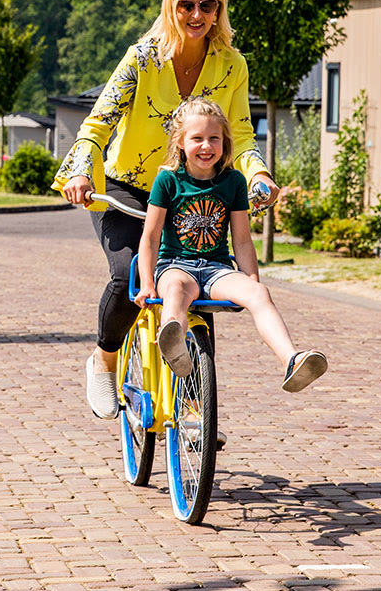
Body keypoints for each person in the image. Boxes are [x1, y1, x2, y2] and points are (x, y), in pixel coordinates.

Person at [55, 0, 277, 418]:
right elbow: (97, 124)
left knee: (201, 278)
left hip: (196, 189)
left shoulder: (231, 65)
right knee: (128, 272)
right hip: (128, 186)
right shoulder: (143, 57)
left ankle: (197, 409)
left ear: (218, 11)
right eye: (187, 4)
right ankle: (104, 359)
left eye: (207, 6)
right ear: (172, 6)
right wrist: (80, 172)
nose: (196, 14)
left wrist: (257, 174)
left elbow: (240, 131)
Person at [138, 99, 327, 391]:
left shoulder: (234, 182)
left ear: (225, 142)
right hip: (175, 266)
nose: (206, 146)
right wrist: (148, 283)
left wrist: (251, 282)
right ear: (180, 142)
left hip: (216, 269)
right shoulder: (168, 180)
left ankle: (292, 359)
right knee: (176, 289)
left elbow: (241, 238)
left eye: (214, 138)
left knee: (259, 293)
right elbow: (150, 237)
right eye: (197, 138)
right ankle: (174, 345)